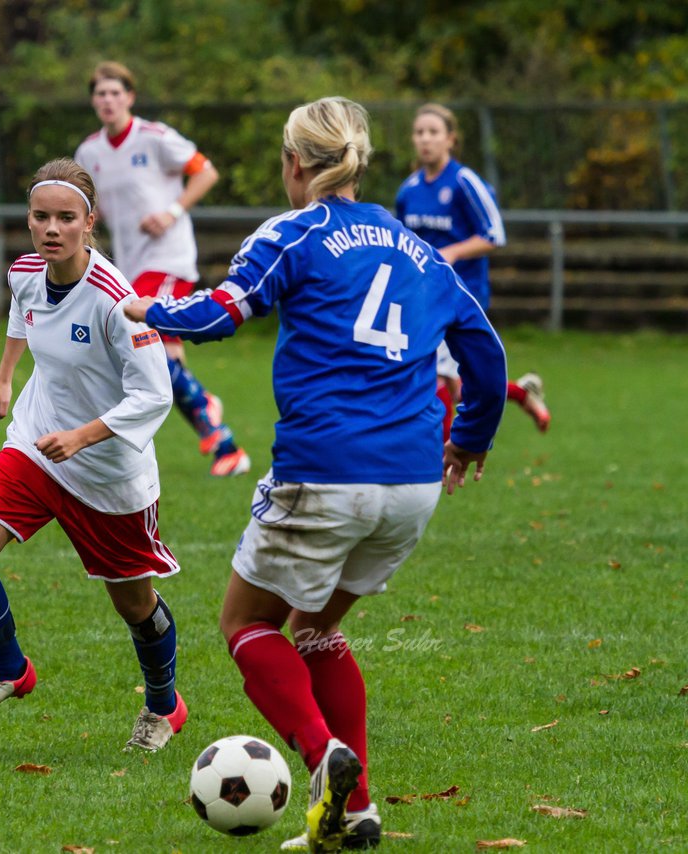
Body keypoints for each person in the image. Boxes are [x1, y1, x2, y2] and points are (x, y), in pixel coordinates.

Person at [125, 97, 507, 851]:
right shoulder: (417, 249)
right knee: (318, 629)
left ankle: (318, 751)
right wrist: (469, 438)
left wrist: (145, 311)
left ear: (294, 164)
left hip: (327, 471)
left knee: (245, 624)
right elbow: (486, 351)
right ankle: (356, 812)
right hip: (412, 484)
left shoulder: (295, 233)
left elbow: (221, 314)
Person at [0, 157, 188, 752]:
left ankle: (163, 707)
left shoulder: (115, 300)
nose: (52, 228)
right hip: (36, 442)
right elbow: (22, 315)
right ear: (28, 221)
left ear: (89, 221)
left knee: (134, 605)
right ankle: (10, 672)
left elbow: (157, 392)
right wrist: (4, 378)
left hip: (107, 473)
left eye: (65, 218)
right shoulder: (28, 270)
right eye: (40, 217)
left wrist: (83, 436)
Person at [74, 60, 251, 477]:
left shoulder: (155, 138)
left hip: (168, 257)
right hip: (131, 266)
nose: (108, 100)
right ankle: (223, 442)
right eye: (100, 94)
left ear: (130, 98)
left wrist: (171, 212)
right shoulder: (89, 152)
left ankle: (211, 419)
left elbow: (206, 172)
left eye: (116, 93)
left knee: (146, 341)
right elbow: (87, 209)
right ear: (93, 102)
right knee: (161, 357)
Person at [395, 102, 550, 439]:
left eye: (433, 132)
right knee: (456, 385)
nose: (425, 140)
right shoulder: (408, 190)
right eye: (419, 133)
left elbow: (495, 234)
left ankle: (443, 459)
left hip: (463, 295)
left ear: (450, 139)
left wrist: (452, 252)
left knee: (437, 377)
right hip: (424, 296)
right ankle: (522, 394)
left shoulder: (465, 182)